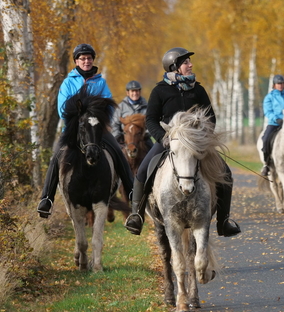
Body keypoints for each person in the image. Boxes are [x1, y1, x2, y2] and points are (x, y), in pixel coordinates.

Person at [123, 47, 241, 237]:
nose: (190, 65)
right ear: (174, 67)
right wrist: (163, 137)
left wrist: (203, 137)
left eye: (189, 62)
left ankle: (223, 221)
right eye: (186, 62)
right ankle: (136, 216)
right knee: (143, 172)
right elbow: (151, 119)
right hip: (169, 141)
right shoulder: (160, 91)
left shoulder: (198, 90)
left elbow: (210, 118)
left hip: (196, 144)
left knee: (225, 172)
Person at [37, 43, 134, 218]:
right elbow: (62, 109)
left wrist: (100, 118)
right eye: (82, 59)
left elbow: (109, 106)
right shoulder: (68, 82)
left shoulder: (100, 82)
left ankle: (132, 191)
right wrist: (77, 119)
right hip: (74, 130)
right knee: (57, 156)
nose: (86, 61)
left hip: (97, 129)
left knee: (118, 152)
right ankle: (46, 199)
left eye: (89, 58)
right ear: (76, 61)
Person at [111, 80, 153, 150]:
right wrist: (119, 136)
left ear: (140, 92)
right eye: (132, 91)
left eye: (137, 91)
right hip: (125, 138)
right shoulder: (121, 107)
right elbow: (114, 124)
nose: (135, 93)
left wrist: (144, 134)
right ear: (127, 93)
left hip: (143, 139)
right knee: (114, 151)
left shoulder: (147, 107)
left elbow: (151, 123)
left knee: (152, 150)